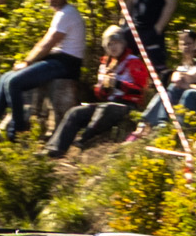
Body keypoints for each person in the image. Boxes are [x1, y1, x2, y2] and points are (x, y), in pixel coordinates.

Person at [0, 0, 86, 140]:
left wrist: (27, 62)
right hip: (57, 59)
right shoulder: (61, 14)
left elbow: (47, 43)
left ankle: (17, 130)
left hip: (66, 63)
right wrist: (27, 61)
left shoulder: (66, 14)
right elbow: (45, 42)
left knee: (14, 83)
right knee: (5, 78)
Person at [49, 25, 153, 157]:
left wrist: (118, 84)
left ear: (123, 44)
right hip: (108, 103)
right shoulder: (105, 65)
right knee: (75, 112)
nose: (113, 47)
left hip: (128, 105)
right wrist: (104, 88)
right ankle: (55, 149)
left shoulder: (133, 62)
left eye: (116, 42)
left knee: (106, 109)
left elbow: (141, 90)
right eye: (110, 44)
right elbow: (99, 95)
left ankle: (83, 140)